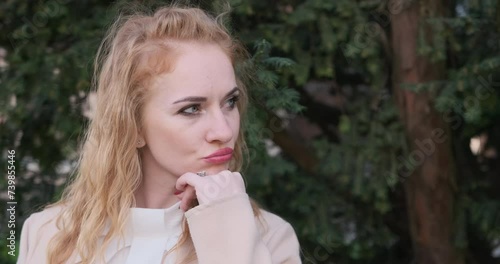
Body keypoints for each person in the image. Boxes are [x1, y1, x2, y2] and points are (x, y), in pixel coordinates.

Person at [17, 4, 301, 264]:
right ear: (133, 125)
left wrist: (229, 230)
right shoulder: (47, 234)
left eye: (230, 102)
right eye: (191, 109)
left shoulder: (271, 240)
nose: (224, 131)